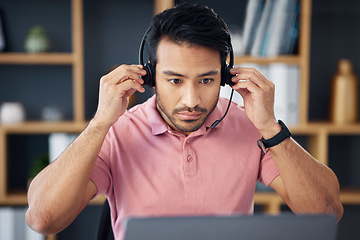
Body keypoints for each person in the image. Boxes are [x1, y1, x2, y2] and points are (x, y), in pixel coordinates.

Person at [26, 2, 343, 239]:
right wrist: (99, 124)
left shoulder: (251, 128)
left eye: (205, 80)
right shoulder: (117, 132)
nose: (191, 100)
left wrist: (270, 127)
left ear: (225, 77)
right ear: (149, 77)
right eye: (175, 81)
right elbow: (42, 219)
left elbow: (327, 211)